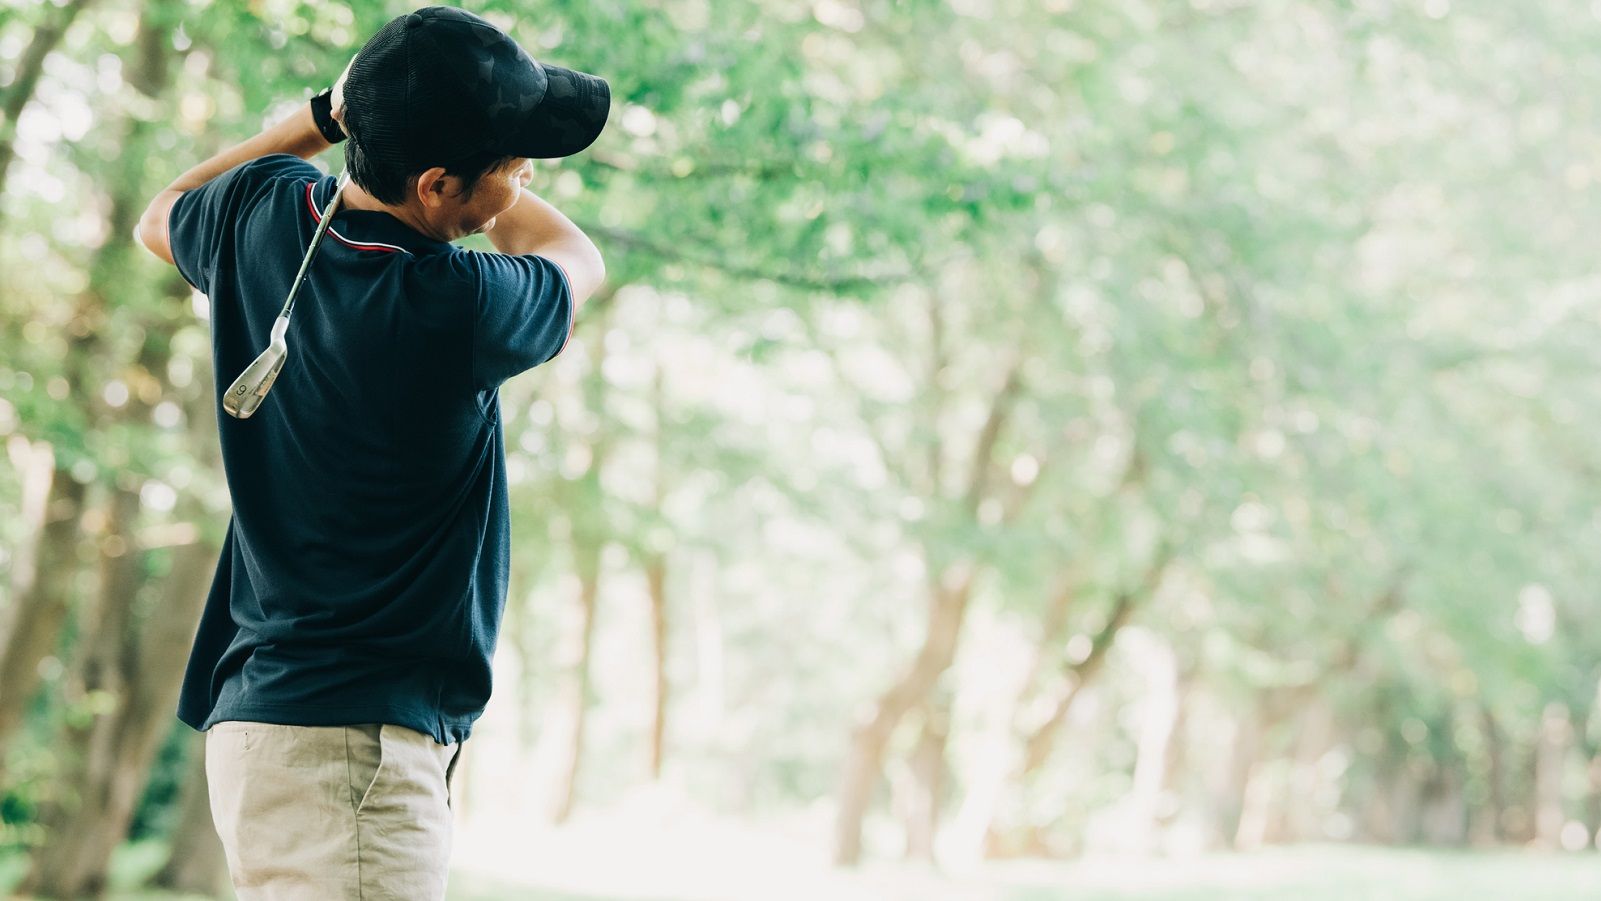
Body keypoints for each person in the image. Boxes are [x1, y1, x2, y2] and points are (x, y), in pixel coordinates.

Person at [133, 7, 610, 898]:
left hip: (270, 725)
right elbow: (571, 252)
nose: (527, 179)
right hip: (353, 756)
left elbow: (158, 216)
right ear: (435, 186)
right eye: (515, 165)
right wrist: (440, 155)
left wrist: (329, 115)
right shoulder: (454, 306)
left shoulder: (261, 214)